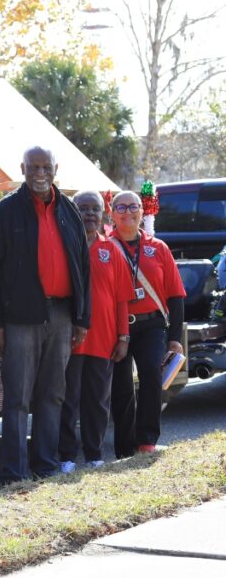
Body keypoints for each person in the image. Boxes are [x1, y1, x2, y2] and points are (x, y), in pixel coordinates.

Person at [0, 146, 90, 485]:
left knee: (53, 393)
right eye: (33, 167)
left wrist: (82, 318)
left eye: (46, 167)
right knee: (17, 398)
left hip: (61, 315)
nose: (40, 173)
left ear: (55, 168)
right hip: (20, 317)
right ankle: (14, 473)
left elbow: (82, 267)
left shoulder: (69, 211)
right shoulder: (6, 211)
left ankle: (45, 465)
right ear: (22, 169)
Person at [58, 191, 133, 472]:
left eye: (94, 209)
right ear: (73, 212)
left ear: (103, 214)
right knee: (68, 399)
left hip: (104, 340)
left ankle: (94, 454)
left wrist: (123, 336)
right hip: (71, 339)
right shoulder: (64, 246)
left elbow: (122, 298)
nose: (89, 214)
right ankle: (66, 455)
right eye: (83, 208)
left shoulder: (112, 250)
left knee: (98, 401)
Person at [108, 190, 186, 457]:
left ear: (143, 212)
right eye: (121, 207)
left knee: (152, 374)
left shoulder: (159, 247)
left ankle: (147, 440)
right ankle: (124, 446)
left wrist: (175, 337)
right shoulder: (104, 247)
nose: (128, 212)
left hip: (152, 326)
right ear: (112, 213)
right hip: (118, 327)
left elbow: (176, 295)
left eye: (134, 206)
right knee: (120, 385)